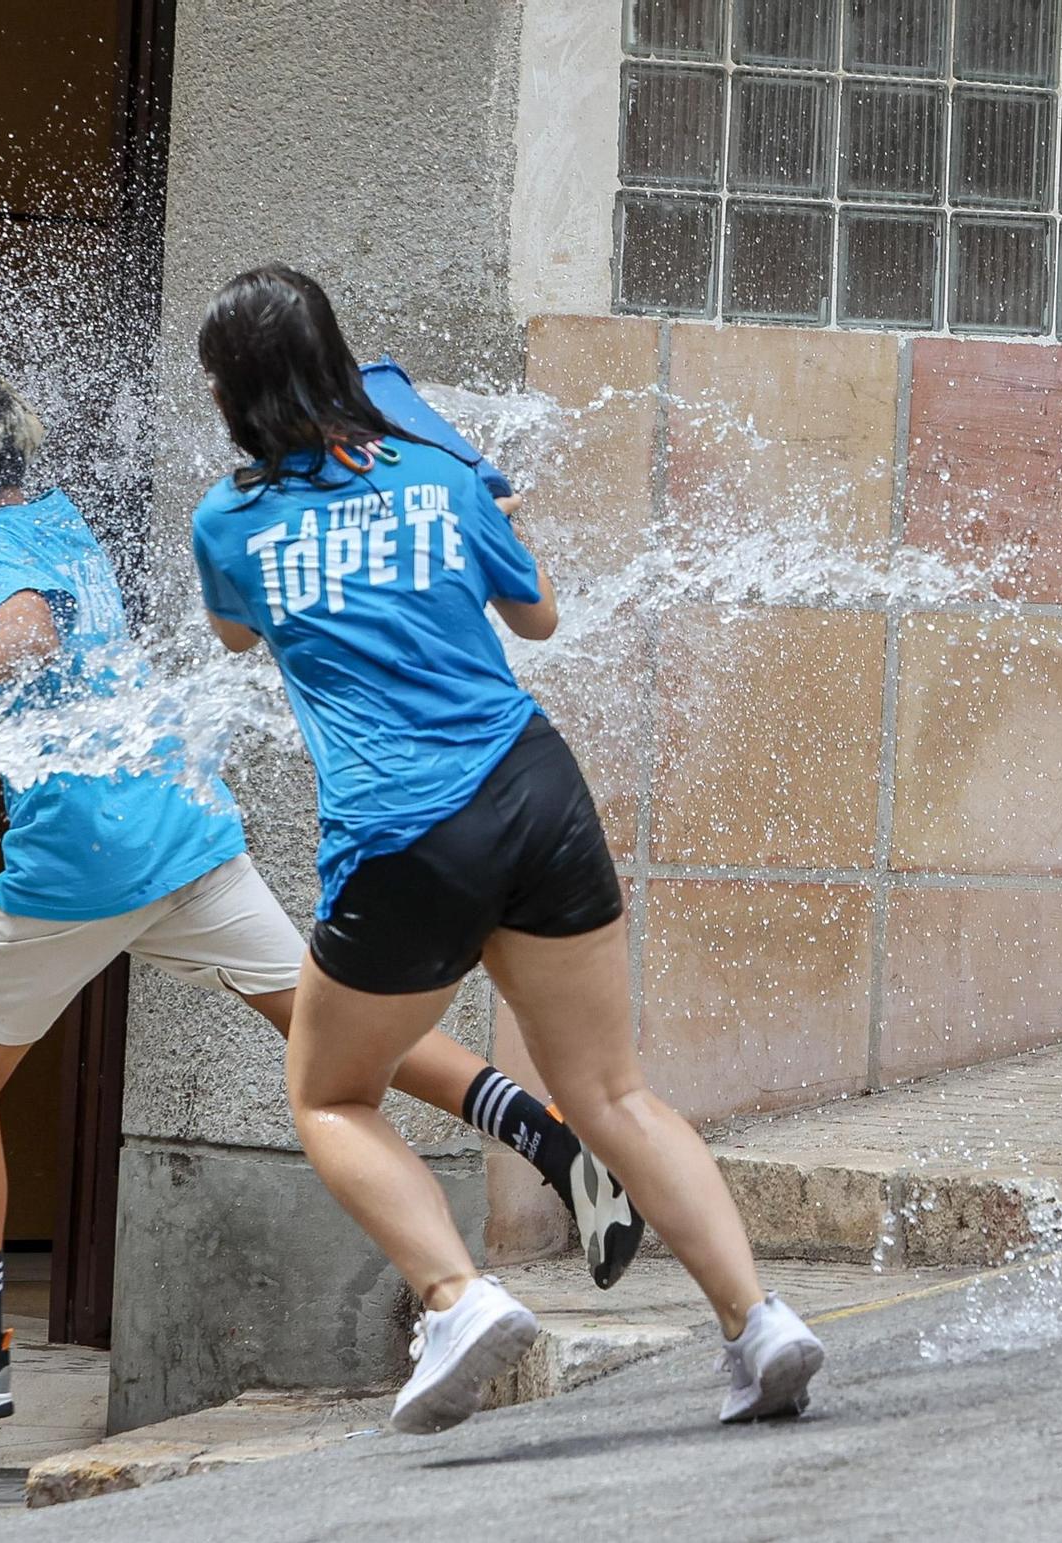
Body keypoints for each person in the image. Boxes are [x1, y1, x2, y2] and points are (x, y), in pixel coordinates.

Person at [0, 366, 643, 1421]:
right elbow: (54, 665)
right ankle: (551, 1138)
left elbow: (27, 638)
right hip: (181, 821)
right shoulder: (51, 515)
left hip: (88, 852)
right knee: (326, 1025)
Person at [188, 268, 825, 1435]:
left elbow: (238, 631)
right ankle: (758, 1323)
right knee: (613, 1090)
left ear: (230, 391)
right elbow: (534, 620)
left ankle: (455, 1297)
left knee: (331, 1091)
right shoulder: (437, 471)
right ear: (337, 359)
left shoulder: (226, 521)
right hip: (534, 790)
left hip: (403, 834)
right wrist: (488, 520)